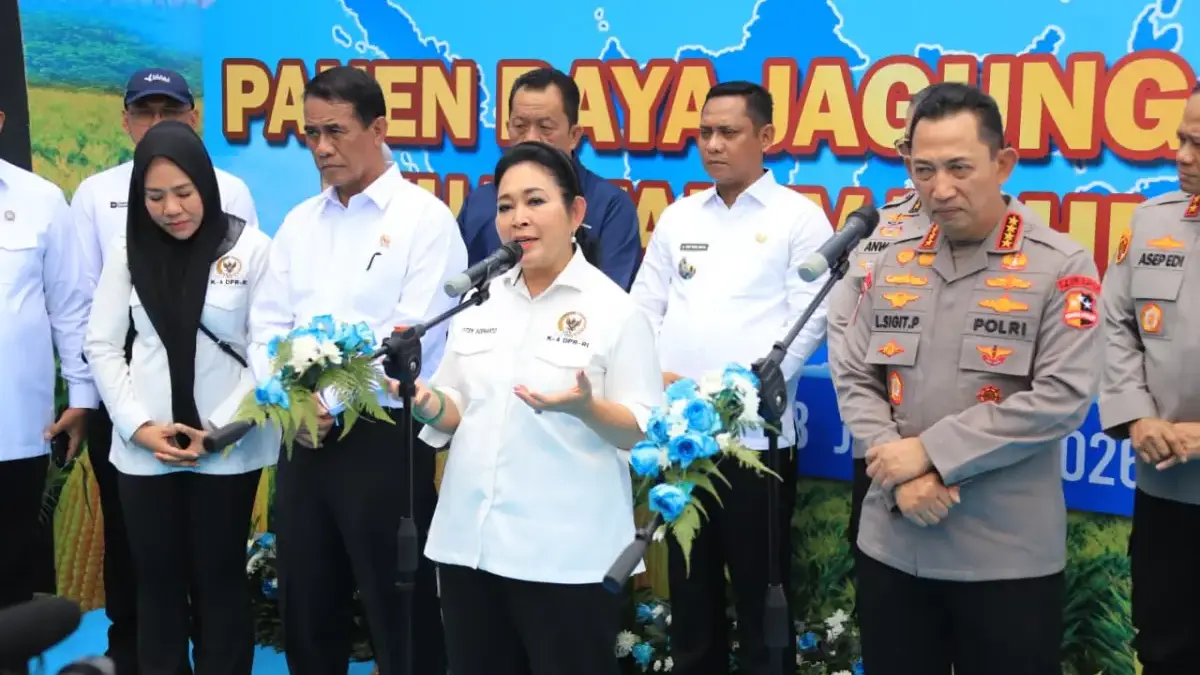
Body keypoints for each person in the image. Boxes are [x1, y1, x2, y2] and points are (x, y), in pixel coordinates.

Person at [831, 82, 1099, 675]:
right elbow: (852, 370)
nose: (939, 189)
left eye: (958, 168)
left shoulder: (1060, 264)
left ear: (1003, 163)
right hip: (893, 541)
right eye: (923, 170)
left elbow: (1064, 398)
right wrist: (893, 465)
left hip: (1005, 558)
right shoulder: (887, 253)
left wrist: (928, 453)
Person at [413, 139, 661, 675]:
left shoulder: (615, 311)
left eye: (534, 202)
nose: (517, 219)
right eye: (505, 207)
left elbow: (641, 431)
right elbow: (455, 407)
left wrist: (587, 408)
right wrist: (424, 401)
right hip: (469, 548)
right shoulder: (480, 303)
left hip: (564, 561)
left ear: (575, 213)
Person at [249, 65, 465, 675]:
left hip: (383, 439)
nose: (321, 147)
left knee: (399, 608)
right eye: (311, 132)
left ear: (379, 128)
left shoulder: (424, 221)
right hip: (301, 437)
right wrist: (293, 403)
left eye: (336, 131)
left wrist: (333, 403)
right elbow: (266, 325)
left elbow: (415, 334)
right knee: (305, 606)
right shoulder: (298, 223)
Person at [630, 81, 832, 674]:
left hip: (756, 443)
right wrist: (654, 385)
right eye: (705, 133)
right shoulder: (678, 216)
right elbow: (644, 308)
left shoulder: (799, 217)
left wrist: (733, 400)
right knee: (690, 596)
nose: (713, 145)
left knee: (760, 593)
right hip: (680, 441)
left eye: (730, 133)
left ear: (766, 137)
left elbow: (809, 318)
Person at [69, 67, 260, 673]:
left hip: (226, 450)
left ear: (206, 184)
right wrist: (135, 426)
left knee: (221, 585)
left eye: (183, 192)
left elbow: (270, 349)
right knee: (155, 592)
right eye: (154, 198)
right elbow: (102, 345)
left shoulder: (254, 250)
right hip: (143, 450)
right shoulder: (128, 251)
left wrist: (220, 430)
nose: (171, 209)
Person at [1098, 83, 1200, 675]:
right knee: (1163, 647)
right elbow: (1117, 325)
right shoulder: (1152, 220)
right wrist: (1138, 416)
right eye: (1181, 139)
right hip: (1166, 493)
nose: (1182, 155)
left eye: (1199, 144)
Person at [0, 107, 96, 675]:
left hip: (15, 428)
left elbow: (69, 308)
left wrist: (81, 398)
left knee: (9, 569)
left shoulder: (39, 200)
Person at [826, 86, 929, 567]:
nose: (921, 162)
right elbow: (844, 334)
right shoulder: (877, 229)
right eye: (911, 147)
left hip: (976, 466)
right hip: (879, 451)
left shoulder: (1026, 240)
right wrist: (886, 444)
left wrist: (933, 457)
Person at [457, 67, 642, 290]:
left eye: (545, 127)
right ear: (507, 129)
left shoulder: (611, 206)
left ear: (574, 136)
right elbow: (456, 293)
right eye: (520, 126)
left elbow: (611, 299)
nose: (531, 138)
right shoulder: (479, 203)